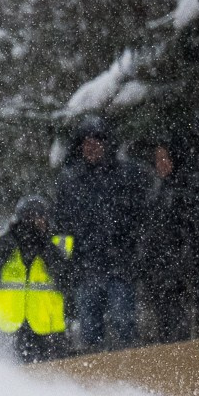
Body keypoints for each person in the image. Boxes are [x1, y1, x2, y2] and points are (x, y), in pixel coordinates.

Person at [52, 115, 154, 350]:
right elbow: (61, 226)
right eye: (86, 143)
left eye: (97, 142)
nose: (91, 147)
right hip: (86, 268)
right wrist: (67, 265)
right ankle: (95, 370)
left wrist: (137, 252)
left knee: (123, 323)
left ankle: (130, 365)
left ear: (107, 144)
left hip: (121, 266)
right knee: (89, 330)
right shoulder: (70, 180)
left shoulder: (127, 174)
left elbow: (143, 217)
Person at [140, 134, 199, 343]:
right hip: (161, 277)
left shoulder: (192, 186)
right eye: (157, 159)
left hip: (188, 276)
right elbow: (151, 233)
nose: (160, 164)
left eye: (164, 158)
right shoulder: (157, 191)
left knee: (188, 331)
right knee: (166, 332)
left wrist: (185, 263)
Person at [0, 196, 75, 363]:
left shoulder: (58, 244)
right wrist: (4, 247)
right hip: (9, 325)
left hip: (47, 327)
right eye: (29, 217)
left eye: (39, 217)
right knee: (8, 371)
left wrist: (46, 248)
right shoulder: (4, 242)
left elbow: (68, 280)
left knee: (50, 374)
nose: (35, 222)